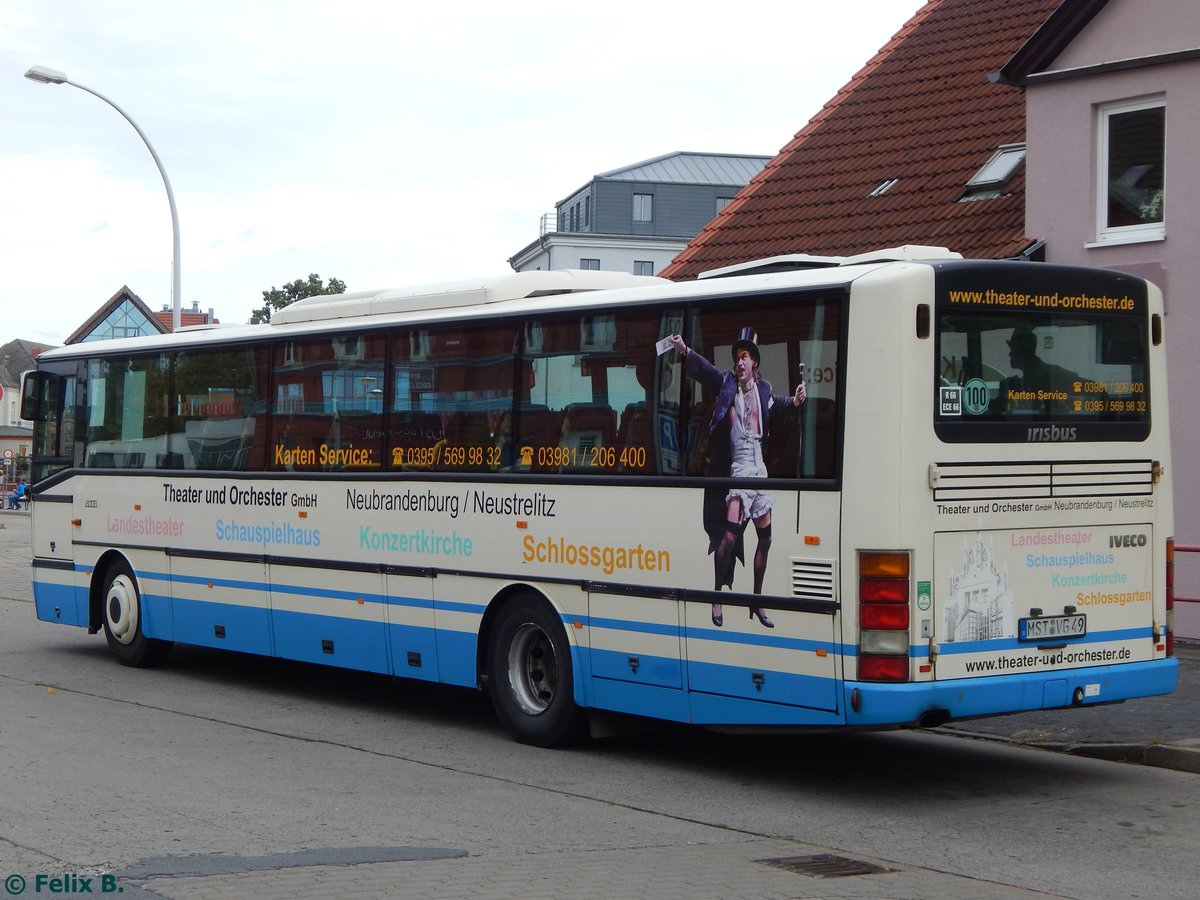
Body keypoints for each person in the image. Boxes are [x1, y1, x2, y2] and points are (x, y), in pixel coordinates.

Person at [670, 328, 806, 628]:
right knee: (729, 536)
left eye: (744, 357)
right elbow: (706, 372)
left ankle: (756, 601)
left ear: (754, 362)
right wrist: (685, 351)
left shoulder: (765, 390)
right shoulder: (728, 384)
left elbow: (780, 405)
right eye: (737, 358)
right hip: (739, 468)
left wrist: (796, 402)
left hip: (760, 471)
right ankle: (717, 596)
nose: (739, 362)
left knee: (766, 539)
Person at [1000, 325, 1083, 414]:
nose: (1010, 354)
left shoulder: (1043, 375)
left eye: (1014, 350)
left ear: (1025, 353)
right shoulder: (1032, 375)